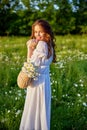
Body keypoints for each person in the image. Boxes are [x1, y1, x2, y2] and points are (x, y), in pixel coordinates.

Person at [19, 19, 56, 130]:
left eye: (40, 31)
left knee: (34, 107)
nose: (37, 34)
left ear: (46, 32)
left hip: (37, 81)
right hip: (44, 80)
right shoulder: (49, 44)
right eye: (35, 32)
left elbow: (31, 64)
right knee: (41, 107)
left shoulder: (41, 45)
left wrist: (29, 48)